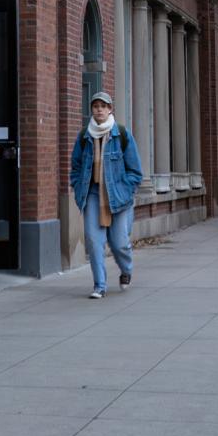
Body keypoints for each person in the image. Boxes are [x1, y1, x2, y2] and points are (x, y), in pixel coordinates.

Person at [68, 91, 143, 298]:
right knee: (93, 241)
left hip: (118, 195)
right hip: (92, 194)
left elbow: (135, 171)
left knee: (120, 243)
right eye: (95, 106)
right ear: (91, 110)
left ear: (110, 109)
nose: (99, 109)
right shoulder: (84, 136)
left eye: (103, 105)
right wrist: (77, 187)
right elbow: (75, 167)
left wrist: (125, 190)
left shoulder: (122, 134)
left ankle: (126, 270)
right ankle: (99, 285)